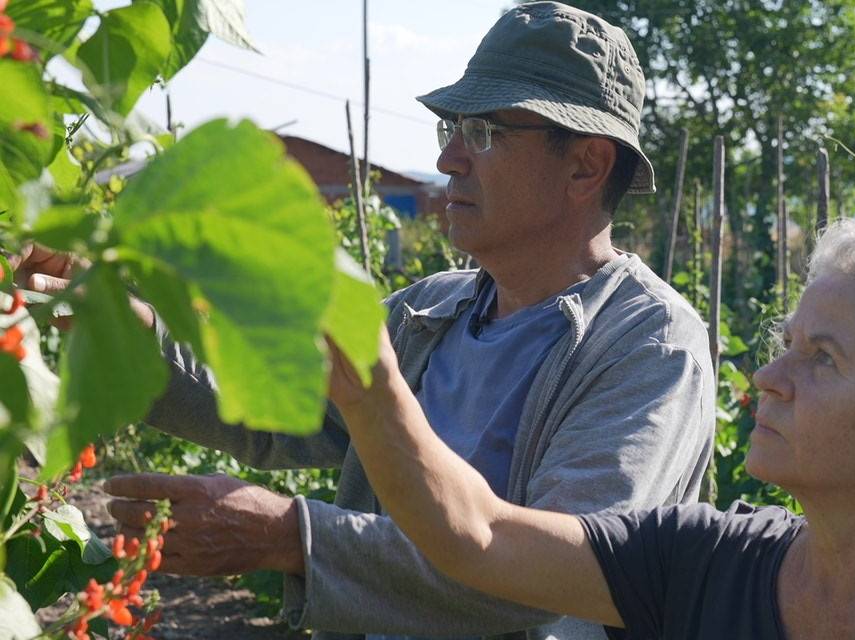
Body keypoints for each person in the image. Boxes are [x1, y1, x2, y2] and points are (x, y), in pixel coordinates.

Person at [13, 3, 714, 639]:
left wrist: (295, 538)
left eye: (484, 132)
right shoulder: (426, 313)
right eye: (452, 128)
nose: (448, 159)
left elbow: (562, 571)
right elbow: (270, 405)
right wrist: (117, 319)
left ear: (587, 165)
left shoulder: (648, 346)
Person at [327, 216, 855, 639]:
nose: (769, 380)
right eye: (788, 345)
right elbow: (479, 538)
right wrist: (373, 389)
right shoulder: (701, 562)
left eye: (823, 359)